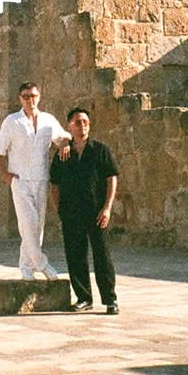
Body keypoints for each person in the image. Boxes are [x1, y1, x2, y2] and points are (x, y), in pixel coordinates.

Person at [0, 82, 69, 280]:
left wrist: (65, 145)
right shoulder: (12, 121)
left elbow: (63, 137)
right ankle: (42, 264)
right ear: (20, 99)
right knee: (28, 223)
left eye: (33, 96)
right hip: (20, 179)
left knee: (38, 226)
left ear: (39, 96)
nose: (29, 100)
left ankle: (26, 266)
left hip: (41, 178)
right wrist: (5, 175)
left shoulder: (48, 120)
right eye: (25, 96)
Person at [49, 106, 120, 314]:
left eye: (86, 122)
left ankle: (110, 299)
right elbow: (55, 183)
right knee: (75, 255)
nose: (82, 126)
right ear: (69, 126)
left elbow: (111, 178)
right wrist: (59, 209)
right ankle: (83, 298)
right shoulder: (63, 152)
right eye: (78, 122)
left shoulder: (100, 149)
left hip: (96, 211)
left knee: (102, 255)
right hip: (71, 212)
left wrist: (107, 207)